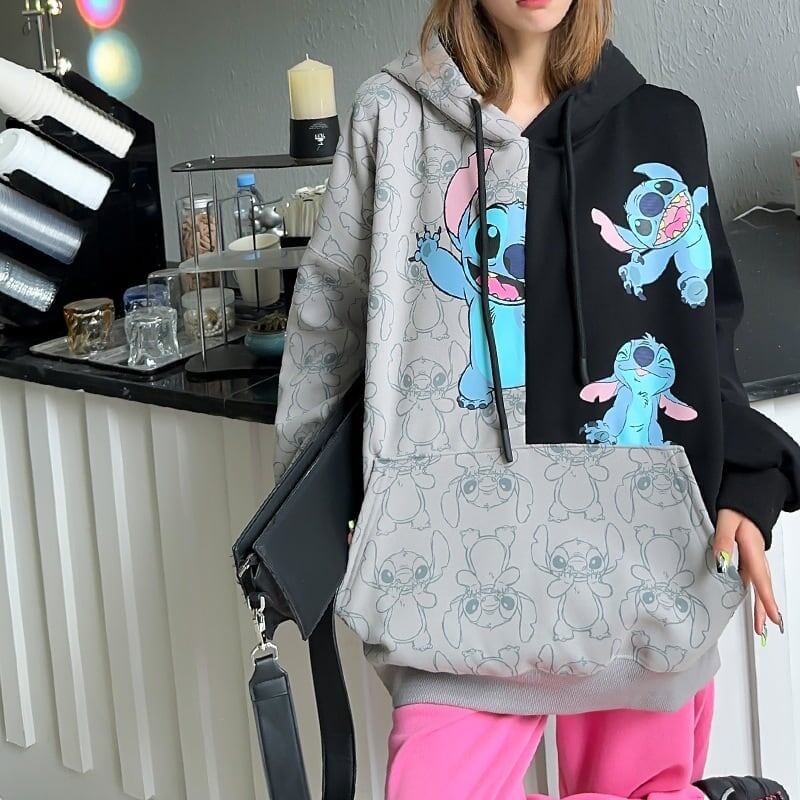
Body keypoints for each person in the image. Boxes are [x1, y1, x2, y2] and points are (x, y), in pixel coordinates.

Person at [272, 1, 800, 798]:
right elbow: (330, 320)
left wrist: (750, 482)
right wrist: (308, 521)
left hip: (642, 565)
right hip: (454, 570)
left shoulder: (662, 123)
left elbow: (703, 332)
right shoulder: (391, 117)